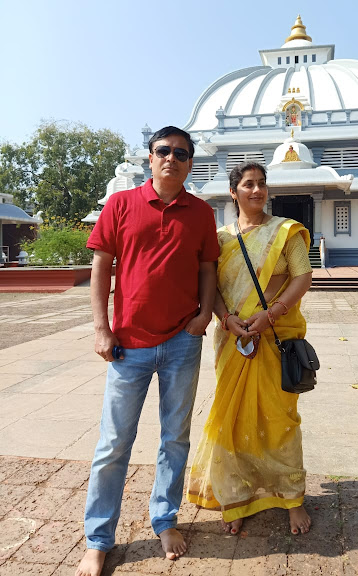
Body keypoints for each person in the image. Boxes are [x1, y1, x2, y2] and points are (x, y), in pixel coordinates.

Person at [76, 126, 219, 576]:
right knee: (113, 444)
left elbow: (208, 267)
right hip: (128, 346)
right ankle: (98, 539)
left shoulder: (200, 212)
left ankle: (165, 519)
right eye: (163, 151)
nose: (171, 159)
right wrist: (102, 328)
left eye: (181, 153)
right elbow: (101, 268)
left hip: (181, 341)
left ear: (190, 162)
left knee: (174, 439)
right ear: (149, 158)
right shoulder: (121, 204)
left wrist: (203, 316)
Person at [186, 161, 313, 536]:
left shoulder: (285, 232)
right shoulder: (221, 238)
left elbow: (302, 277)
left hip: (273, 339)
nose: (256, 191)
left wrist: (271, 315)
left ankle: (291, 498)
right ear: (233, 192)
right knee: (232, 419)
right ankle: (236, 495)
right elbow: (212, 290)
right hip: (233, 342)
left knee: (280, 420)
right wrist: (226, 320)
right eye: (247, 185)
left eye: (261, 184)